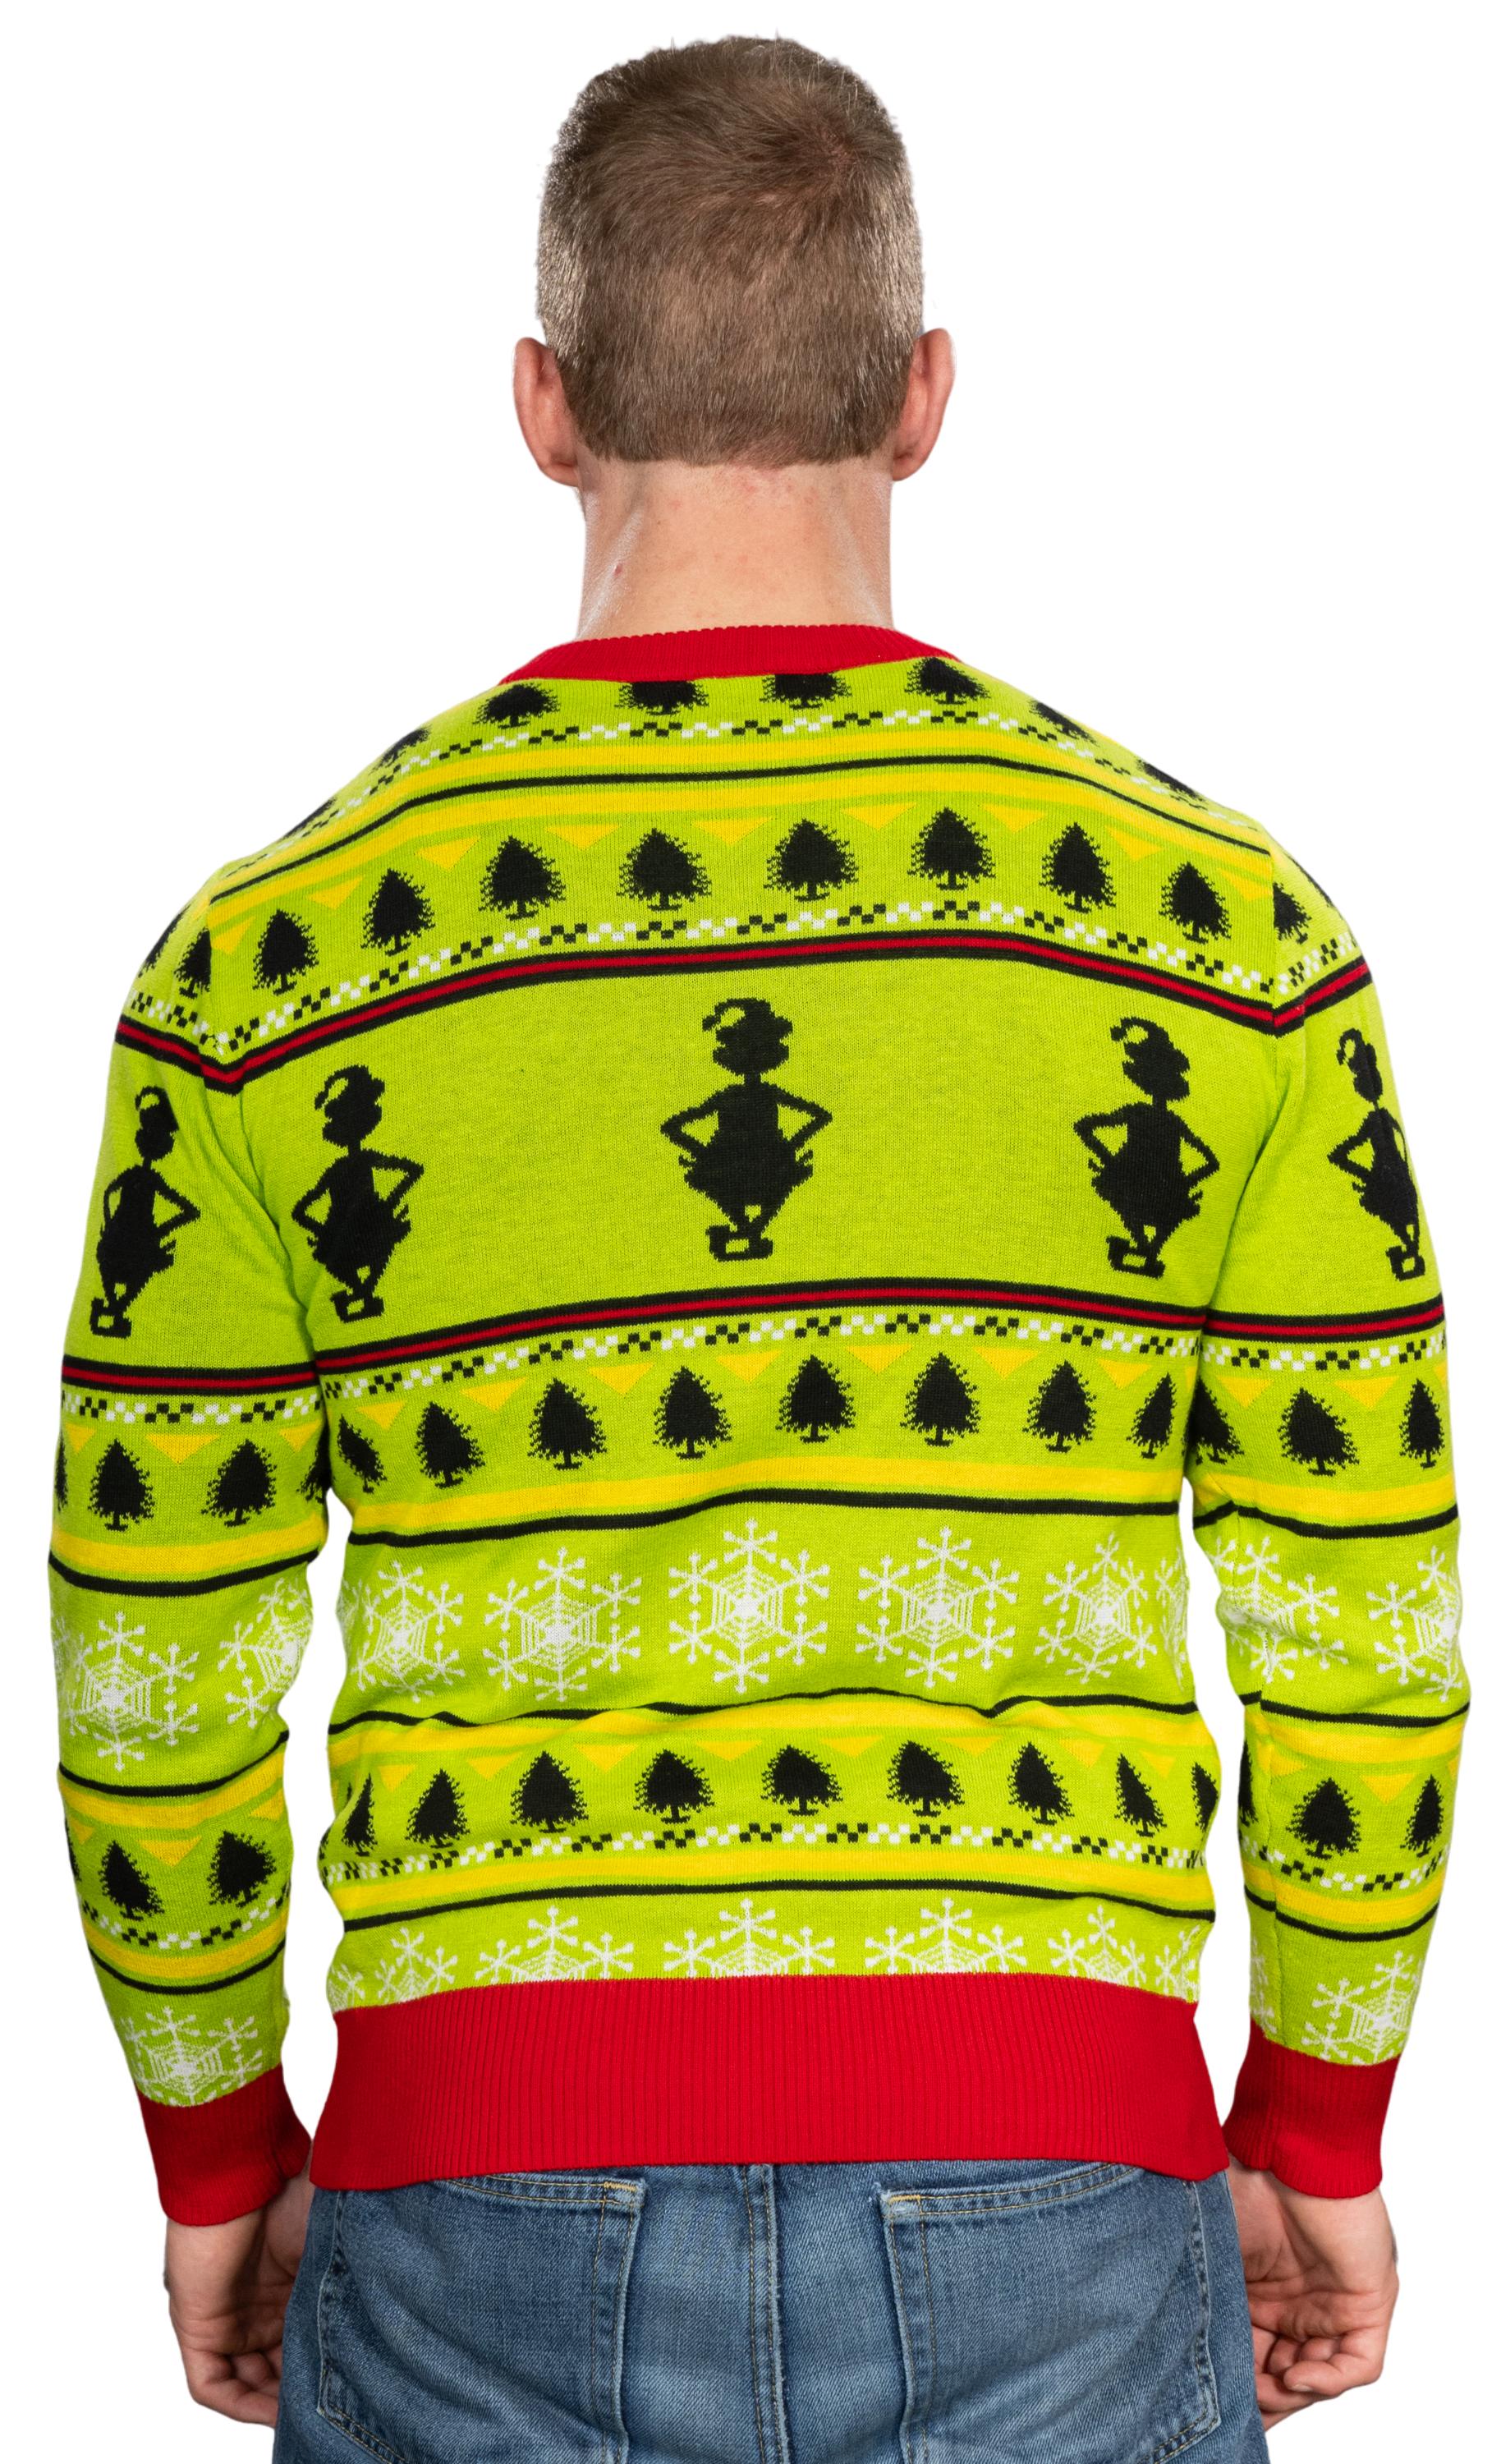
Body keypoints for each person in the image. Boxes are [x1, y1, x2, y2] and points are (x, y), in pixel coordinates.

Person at [48, 35, 1465, 2458]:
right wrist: (1316, 2128)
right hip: (1056, 2176)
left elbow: (151, 1643)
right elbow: (1363, 1622)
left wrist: (218, 2150)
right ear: (922, 396)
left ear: (540, 402)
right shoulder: (1220, 940)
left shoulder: (275, 964)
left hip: (472, 2199)